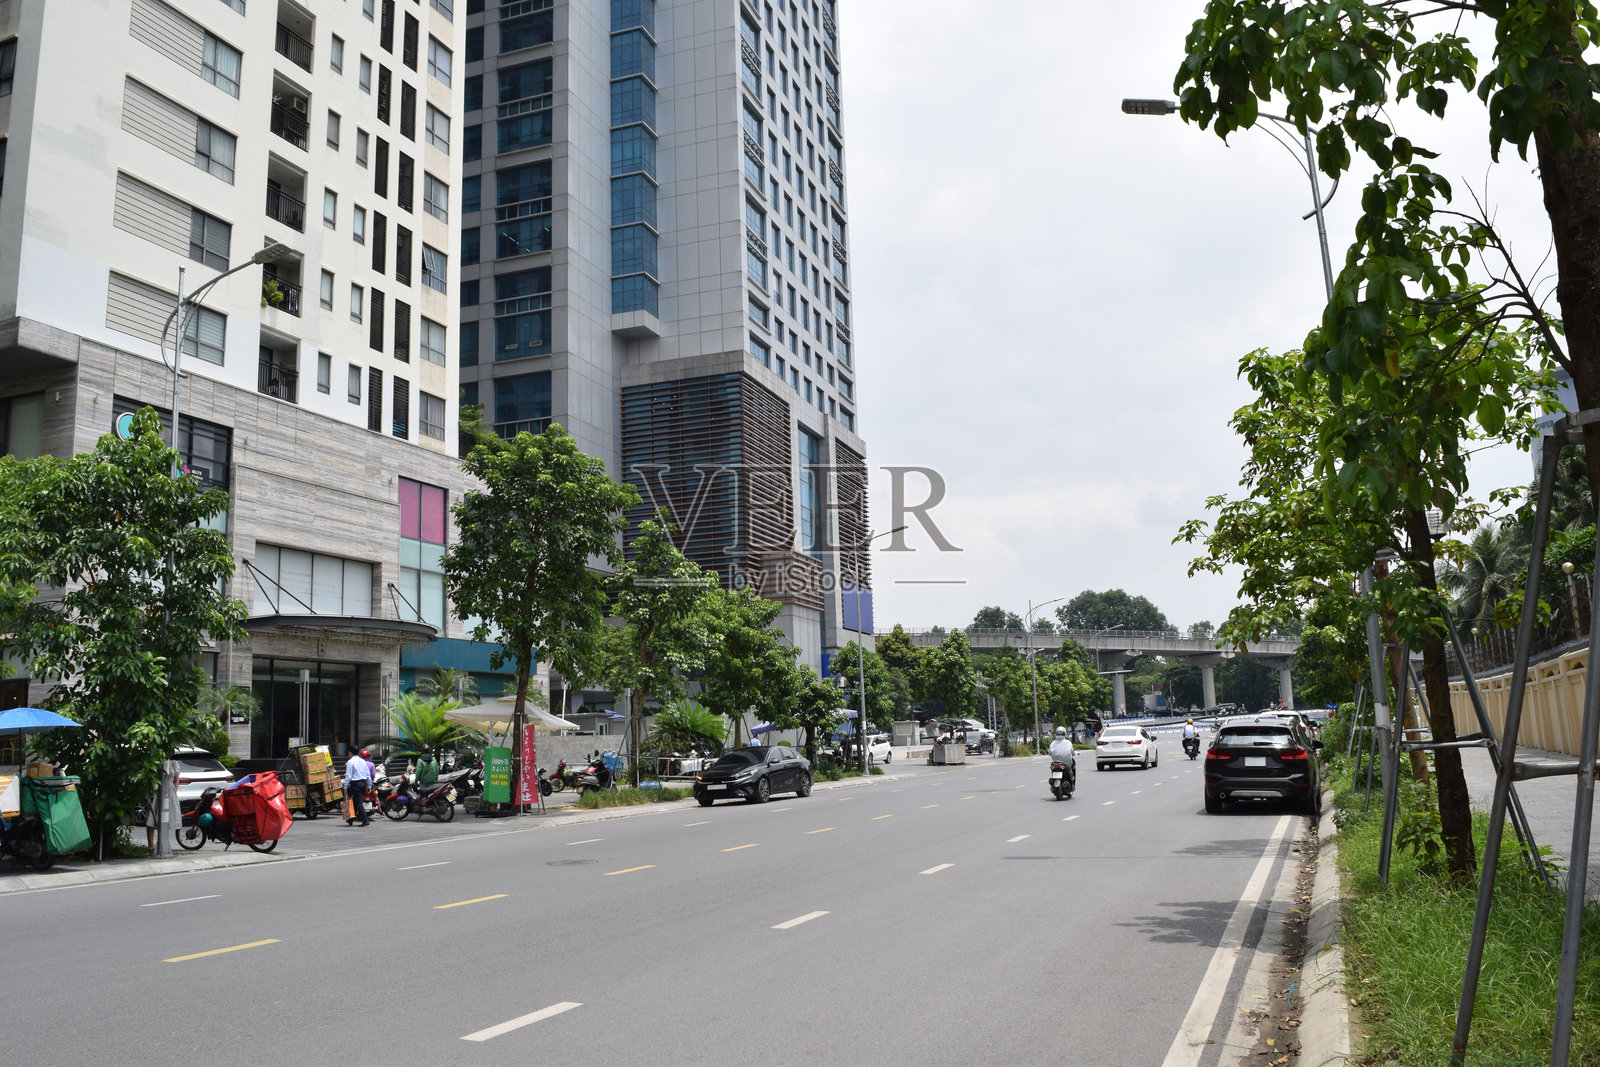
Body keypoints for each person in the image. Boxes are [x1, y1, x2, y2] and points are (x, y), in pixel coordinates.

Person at [344, 747, 374, 825]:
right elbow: (368, 774)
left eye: (348, 752)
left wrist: (345, 787)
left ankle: (365, 820)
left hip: (356, 784)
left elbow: (348, 775)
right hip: (363, 783)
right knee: (355, 800)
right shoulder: (362, 761)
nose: (348, 754)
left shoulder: (350, 762)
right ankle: (351, 819)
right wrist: (369, 785)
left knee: (358, 802)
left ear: (351, 752)